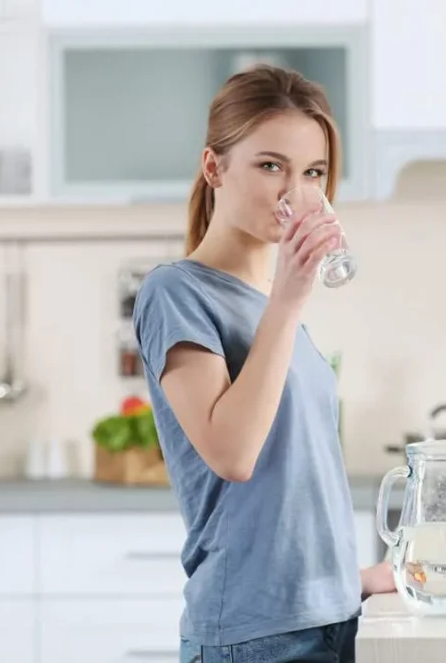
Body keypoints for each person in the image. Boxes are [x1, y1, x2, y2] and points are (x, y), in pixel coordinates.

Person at [132, 65, 395, 663]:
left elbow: (292, 486)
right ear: (214, 167)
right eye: (271, 165)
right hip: (256, 640)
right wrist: (289, 295)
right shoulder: (176, 293)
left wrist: (348, 579)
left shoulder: (275, 309)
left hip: (330, 620)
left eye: (313, 173)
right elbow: (233, 454)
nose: (293, 192)